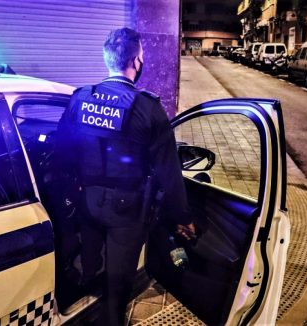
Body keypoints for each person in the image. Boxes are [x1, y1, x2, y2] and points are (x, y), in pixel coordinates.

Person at [55, 27, 195, 325]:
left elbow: (62, 151)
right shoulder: (148, 108)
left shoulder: (80, 99)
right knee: (118, 284)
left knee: (90, 262)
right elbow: (169, 173)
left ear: (107, 59)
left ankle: (84, 299)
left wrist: (71, 189)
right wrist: (182, 217)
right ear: (135, 62)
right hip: (127, 209)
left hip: (86, 199)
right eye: (142, 57)